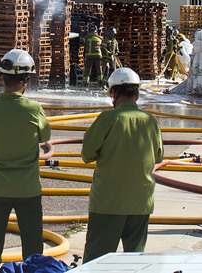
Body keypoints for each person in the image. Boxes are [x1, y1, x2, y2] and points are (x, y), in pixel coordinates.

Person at [0, 49, 52, 270]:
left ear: (2, 77)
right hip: (28, 190)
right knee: (33, 250)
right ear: (26, 80)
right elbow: (45, 136)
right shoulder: (34, 109)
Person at [81, 67, 163, 261]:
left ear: (114, 93)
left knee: (96, 263)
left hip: (108, 203)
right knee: (134, 262)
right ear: (137, 94)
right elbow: (158, 157)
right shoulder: (151, 122)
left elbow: (87, 154)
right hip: (140, 204)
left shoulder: (107, 119)